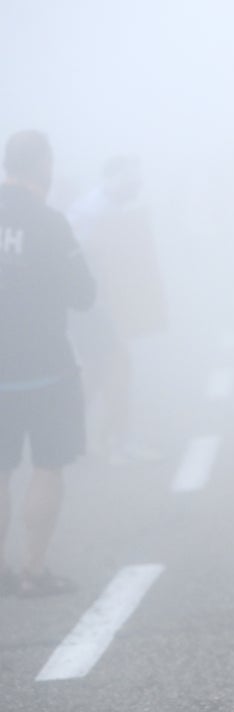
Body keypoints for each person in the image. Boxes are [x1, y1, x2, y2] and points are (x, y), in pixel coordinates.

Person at [0, 130, 96, 597]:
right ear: (42, 165)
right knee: (47, 466)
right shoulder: (50, 222)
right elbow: (84, 295)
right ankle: (32, 571)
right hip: (45, 368)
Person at [68, 155, 167, 464]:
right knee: (118, 367)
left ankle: (75, 435)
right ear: (113, 179)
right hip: (94, 306)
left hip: (95, 305)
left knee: (98, 371)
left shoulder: (102, 208)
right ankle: (117, 443)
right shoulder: (95, 211)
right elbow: (93, 257)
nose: (135, 187)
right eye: (130, 181)